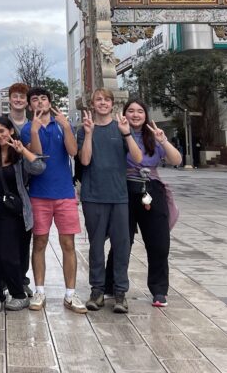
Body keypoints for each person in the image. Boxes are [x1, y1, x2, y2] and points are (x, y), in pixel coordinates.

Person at [77, 89, 142, 313]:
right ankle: (97, 290)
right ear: (92, 104)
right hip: (93, 195)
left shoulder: (121, 127)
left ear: (112, 104)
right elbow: (84, 160)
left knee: (122, 245)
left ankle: (120, 293)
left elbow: (138, 158)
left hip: (119, 196)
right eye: (98, 100)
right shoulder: (84, 129)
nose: (102, 103)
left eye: (106, 100)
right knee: (96, 245)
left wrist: (126, 134)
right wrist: (87, 134)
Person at [0, 116, 45, 312]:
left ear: (11, 131)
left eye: (2, 131)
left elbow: (39, 168)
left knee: (10, 255)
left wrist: (24, 152)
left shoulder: (19, 153)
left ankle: (18, 294)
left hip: (13, 212)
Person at [25, 86, 87, 313]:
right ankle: (39, 290)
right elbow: (37, 159)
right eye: (35, 100)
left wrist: (66, 126)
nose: (40, 103)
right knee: (39, 243)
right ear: (30, 104)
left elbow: (73, 152)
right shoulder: (27, 128)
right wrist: (33, 131)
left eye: (43, 98)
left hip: (64, 193)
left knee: (68, 243)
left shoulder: (62, 124)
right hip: (39, 194)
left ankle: (70, 293)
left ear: (50, 102)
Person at [122, 98, 182, 308]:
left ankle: (159, 290)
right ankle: (114, 285)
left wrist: (163, 140)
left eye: (140, 111)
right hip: (125, 189)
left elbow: (176, 160)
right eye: (131, 111)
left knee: (159, 242)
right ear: (124, 114)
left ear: (145, 115)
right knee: (123, 241)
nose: (135, 115)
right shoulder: (118, 134)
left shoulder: (153, 137)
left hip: (151, 188)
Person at [6, 82, 33, 295]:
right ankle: (5, 280)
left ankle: (22, 280)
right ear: (9, 99)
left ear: (27, 101)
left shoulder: (32, 126)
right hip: (5, 187)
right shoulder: (0, 123)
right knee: (6, 238)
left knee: (25, 237)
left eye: (22, 97)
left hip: (28, 188)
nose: (18, 100)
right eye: (15, 96)